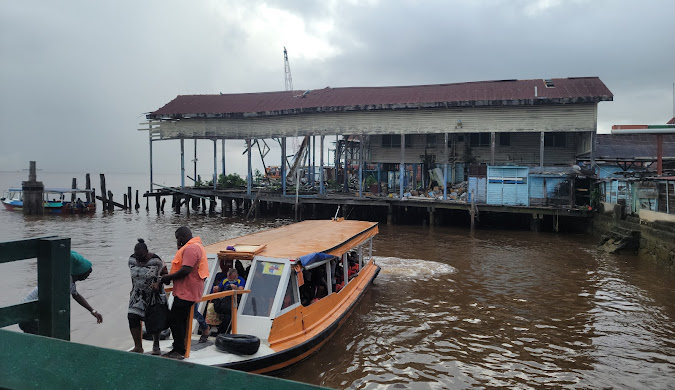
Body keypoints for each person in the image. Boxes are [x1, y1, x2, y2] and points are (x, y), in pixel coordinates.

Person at [19, 250, 103, 334]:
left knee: (47, 338)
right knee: (44, 340)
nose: (87, 276)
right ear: (79, 272)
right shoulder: (63, 281)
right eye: (87, 274)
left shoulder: (70, 281)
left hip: (35, 313)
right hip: (28, 314)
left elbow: (76, 296)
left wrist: (93, 311)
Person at [160, 226, 209, 360]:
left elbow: (186, 270)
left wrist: (168, 278)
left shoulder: (191, 248)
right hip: (189, 290)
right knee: (179, 320)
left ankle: (179, 350)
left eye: (178, 238)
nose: (178, 241)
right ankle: (178, 347)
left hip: (187, 292)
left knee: (175, 320)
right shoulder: (196, 246)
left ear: (182, 236)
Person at [127, 238, 167, 354]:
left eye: (142, 257)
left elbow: (165, 276)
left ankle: (156, 346)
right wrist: (132, 288)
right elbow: (132, 275)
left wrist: (158, 283)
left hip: (153, 295)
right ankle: (138, 346)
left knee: (153, 320)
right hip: (137, 294)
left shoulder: (157, 260)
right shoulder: (131, 259)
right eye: (137, 257)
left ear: (147, 252)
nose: (139, 260)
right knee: (132, 317)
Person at [212, 269, 245, 335]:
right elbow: (219, 287)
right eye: (229, 278)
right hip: (224, 302)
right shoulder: (225, 280)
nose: (230, 280)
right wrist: (216, 288)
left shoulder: (240, 280)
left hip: (233, 303)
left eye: (232, 279)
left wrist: (236, 288)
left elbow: (241, 290)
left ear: (236, 276)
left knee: (228, 317)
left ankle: (225, 332)